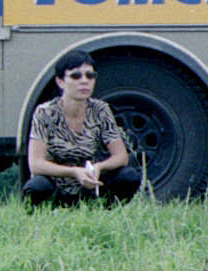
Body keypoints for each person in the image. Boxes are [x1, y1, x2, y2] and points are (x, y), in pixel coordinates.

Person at [24, 49, 142, 205]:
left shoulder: (100, 110)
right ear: (60, 81)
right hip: (55, 185)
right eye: (76, 76)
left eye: (90, 75)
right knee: (36, 187)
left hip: (90, 185)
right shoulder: (45, 112)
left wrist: (99, 167)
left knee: (129, 176)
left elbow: (121, 157)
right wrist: (74, 172)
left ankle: (106, 210)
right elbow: (35, 164)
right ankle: (46, 214)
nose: (84, 81)